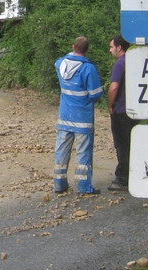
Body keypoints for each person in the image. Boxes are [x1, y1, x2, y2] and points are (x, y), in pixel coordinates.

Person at [53, 36, 104, 195]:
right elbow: (95, 94)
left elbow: (61, 61)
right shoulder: (88, 68)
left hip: (64, 115)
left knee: (61, 150)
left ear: (73, 46)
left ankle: (59, 185)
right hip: (83, 117)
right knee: (83, 152)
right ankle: (83, 187)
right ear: (88, 49)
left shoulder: (60, 63)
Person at [107, 34, 138, 192]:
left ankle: (122, 179)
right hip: (135, 110)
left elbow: (114, 87)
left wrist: (110, 105)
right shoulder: (134, 61)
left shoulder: (120, 64)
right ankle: (135, 175)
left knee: (122, 145)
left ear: (119, 47)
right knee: (133, 144)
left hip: (121, 110)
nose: (110, 49)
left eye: (112, 46)